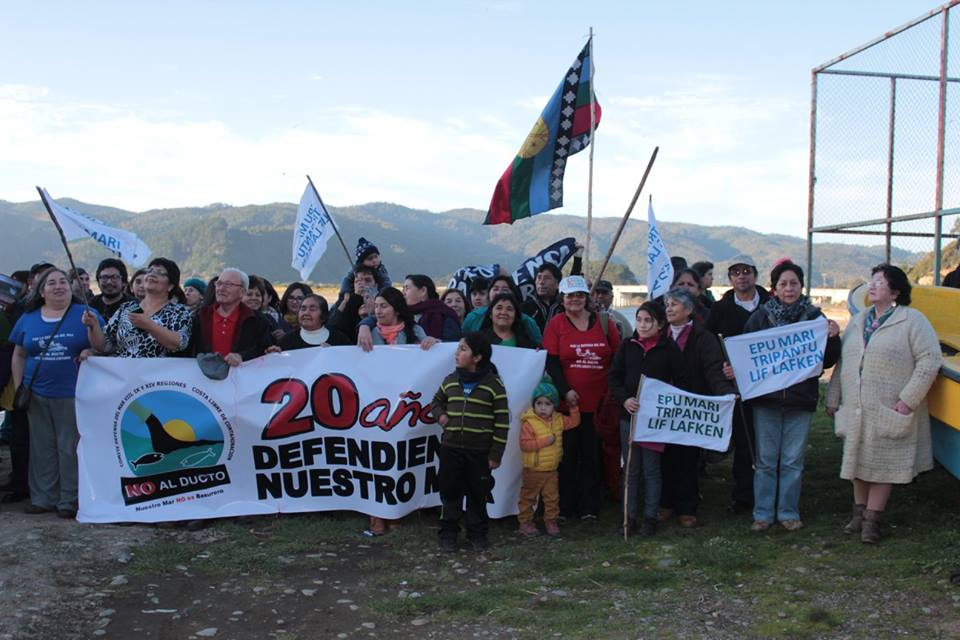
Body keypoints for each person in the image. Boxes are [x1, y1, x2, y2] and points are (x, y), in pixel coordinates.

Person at [825, 264, 942, 543]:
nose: (873, 286)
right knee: (857, 459)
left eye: (880, 281)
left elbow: (930, 360)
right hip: (856, 406)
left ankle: (872, 521)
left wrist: (907, 400)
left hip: (889, 407)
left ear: (896, 291)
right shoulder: (858, 320)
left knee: (883, 463)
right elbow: (845, 361)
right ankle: (858, 515)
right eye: (871, 281)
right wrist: (833, 397)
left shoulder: (912, 321)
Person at [737, 260, 840, 533]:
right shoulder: (760, 317)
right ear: (774, 288)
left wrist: (832, 338)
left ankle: (788, 511)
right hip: (767, 401)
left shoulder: (815, 318)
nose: (789, 288)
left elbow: (827, 361)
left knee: (793, 461)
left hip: (800, 401)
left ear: (801, 286)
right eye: (783, 283)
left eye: (794, 283)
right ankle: (762, 513)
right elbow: (747, 354)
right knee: (766, 460)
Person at [10, 268, 103, 518]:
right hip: (36, 393)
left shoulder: (86, 314)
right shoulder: (28, 318)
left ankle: (69, 500)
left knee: (69, 446)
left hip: (74, 393)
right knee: (41, 447)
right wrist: (20, 386)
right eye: (51, 283)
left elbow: (103, 347)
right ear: (41, 291)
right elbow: (19, 354)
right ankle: (42, 498)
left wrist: (93, 334)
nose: (59, 286)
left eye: (63, 281)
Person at [542, 275, 621, 521]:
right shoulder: (556, 324)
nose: (574, 300)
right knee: (567, 455)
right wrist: (565, 390)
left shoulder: (605, 323)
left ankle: (590, 506)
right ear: (562, 299)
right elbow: (551, 362)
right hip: (569, 404)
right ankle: (565, 506)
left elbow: (618, 359)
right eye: (569, 296)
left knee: (593, 454)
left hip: (600, 404)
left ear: (586, 298)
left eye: (578, 295)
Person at [608, 302, 686, 536]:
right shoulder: (627, 346)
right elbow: (614, 377)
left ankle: (650, 517)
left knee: (651, 469)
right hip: (629, 416)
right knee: (631, 468)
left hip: (654, 420)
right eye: (640, 319)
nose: (642, 325)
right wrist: (624, 400)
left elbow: (681, 380)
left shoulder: (669, 349)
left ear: (660, 324)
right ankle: (629, 516)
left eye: (648, 320)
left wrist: (663, 399)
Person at [660, 288, 735, 528]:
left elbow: (713, 370)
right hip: (664, 408)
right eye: (667, 304)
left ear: (689, 310)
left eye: (675, 304)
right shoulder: (660, 335)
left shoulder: (703, 338)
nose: (669, 308)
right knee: (664, 457)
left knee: (688, 459)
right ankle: (665, 503)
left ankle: (687, 506)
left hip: (692, 408)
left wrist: (725, 394)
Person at [431, 333, 509, 551]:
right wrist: (441, 415)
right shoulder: (450, 381)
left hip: (480, 453)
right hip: (450, 450)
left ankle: (477, 534)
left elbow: (503, 421)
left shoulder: (494, 385)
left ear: (477, 357)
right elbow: (435, 402)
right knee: (450, 493)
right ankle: (448, 533)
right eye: (458, 348)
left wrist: (496, 453)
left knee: (478, 494)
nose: (457, 353)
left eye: (463, 349)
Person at [706, 254, 770, 515]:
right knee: (744, 443)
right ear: (730, 278)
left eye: (746, 271)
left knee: (766, 441)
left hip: (768, 384)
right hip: (737, 385)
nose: (741, 276)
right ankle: (744, 496)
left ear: (755, 274)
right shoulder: (720, 309)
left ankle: (769, 494)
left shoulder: (770, 304)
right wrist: (723, 366)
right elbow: (710, 343)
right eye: (735, 272)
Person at [84, 258, 192, 358]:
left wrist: (149, 325)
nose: (152, 274)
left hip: (156, 377)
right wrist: (93, 326)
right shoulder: (129, 308)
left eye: (159, 272)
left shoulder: (179, 311)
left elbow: (180, 343)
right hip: (123, 375)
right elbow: (104, 346)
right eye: (150, 271)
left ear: (170, 286)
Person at [517, 376, 580, 537]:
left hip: (552, 470)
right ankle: (525, 522)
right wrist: (546, 441)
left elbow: (574, 422)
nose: (543, 407)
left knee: (552, 498)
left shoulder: (558, 420)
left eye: (547, 404)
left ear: (555, 406)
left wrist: (573, 407)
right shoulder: (529, 422)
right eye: (539, 403)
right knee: (528, 498)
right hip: (533, 470)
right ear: (534, 405)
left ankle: (551, 521)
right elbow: (525, 445)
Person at [189, 268, 274, 366]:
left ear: (242, 292)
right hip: (204, 379)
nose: (221, 288)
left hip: (243, 379)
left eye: (228, 284)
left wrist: (242, 357)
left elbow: (264, 351)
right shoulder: (201, 316)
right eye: (219, 283)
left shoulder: (256, 319)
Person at [461, 274, 542, 343]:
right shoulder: (474, 317)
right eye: (495, 289)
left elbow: (537, 344)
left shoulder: (527, 321)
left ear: (513, 294)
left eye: (505, 289)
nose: (499, 292)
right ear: (489, 293)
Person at [268, 295, 350, 351]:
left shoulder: (339, 339)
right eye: (303, 309)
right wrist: (273, 355)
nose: (306, 313)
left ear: (324, 315)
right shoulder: (287, 341)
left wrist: (335, 354)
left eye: (312, 309)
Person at [522, 259, 582, 333]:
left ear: (557, 284)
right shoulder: (525, 308)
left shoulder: (565, 307)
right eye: (539, 277)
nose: (541, 282)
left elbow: (573, 283)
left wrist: (577, 258)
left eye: (547, 278)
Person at [366, 288, 438, 348]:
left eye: (383, 306)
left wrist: (432, 342)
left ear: (397, 310)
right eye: (376, 306)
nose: (378, 311)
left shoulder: (414, 330)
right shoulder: (370, 331)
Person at [330, 265, 379, 343]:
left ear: (376, 285)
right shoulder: (343, 303)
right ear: (354, 285)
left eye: (367, 280)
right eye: (358, 281)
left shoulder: (384, 303)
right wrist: (355, 299)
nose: (362, 284)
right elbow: (333, 328)